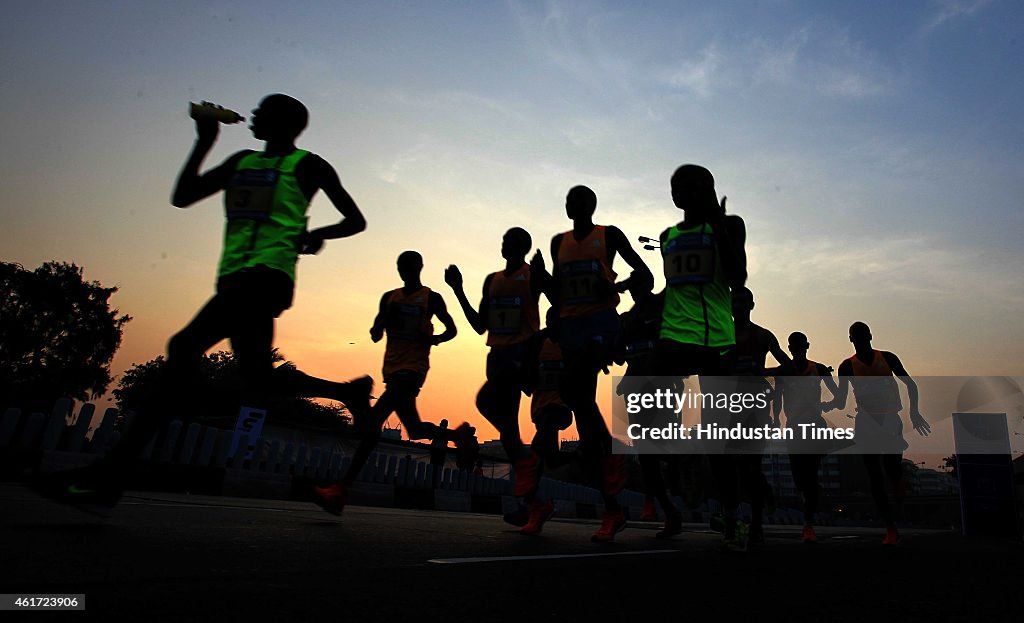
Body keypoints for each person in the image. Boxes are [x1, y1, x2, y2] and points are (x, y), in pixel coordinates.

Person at [35, 94, 373, 510]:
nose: (253, 114)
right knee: (257, 378)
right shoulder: (241, 162)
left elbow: (354, 220)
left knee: (184, 347)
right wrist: (204, 140)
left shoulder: (309, 165)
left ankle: (109, 476)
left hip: (266, 277)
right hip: (234, 278)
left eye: (263, 111)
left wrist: (316, 234)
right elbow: (184, 195)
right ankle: (346, 392)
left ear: (288, 123)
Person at [312, 251, 457, 514]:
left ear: (420, 267)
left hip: (413, 369)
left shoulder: (431, 298)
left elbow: (452, 330)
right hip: (391, 368)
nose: (406, 271)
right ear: (398, 269)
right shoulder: (389, 298)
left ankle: (341, 489)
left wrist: (434, 340)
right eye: (402, 267)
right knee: (414, 429)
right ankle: (458, 436)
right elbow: (375, 334)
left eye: (410, 266)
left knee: (373, 422)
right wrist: (384, 320)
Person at [550, 185, 653, 543]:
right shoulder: (557, 242)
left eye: (576, 200)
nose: (570, 205)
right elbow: (558, 290)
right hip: (570, 328)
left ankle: (606, 452)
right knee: (576, 399)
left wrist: (615, 286)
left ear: (591, 205)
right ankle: (612, 502)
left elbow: (645, 274)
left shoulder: (609, 236)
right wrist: (542, 281)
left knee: (576, 388)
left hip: (599, 325)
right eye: (567, 200)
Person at [653, 164, 747, 548]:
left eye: (696, 186)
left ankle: (731, 513)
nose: (687, 193)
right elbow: (673, 287)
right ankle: (680, 462)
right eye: (680, 187)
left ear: (710, 189)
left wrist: (720, 226)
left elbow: (738, 277)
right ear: (674, 195)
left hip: (715, 340)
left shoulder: (731, 225)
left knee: (719, 437)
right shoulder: (667, 236)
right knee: (649, 404)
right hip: (675, 335)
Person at [445, 227, 554, 533]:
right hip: (496, 354)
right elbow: (479, 325)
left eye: (513, 241)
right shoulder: (492, 280)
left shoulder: (532, 275)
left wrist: (546, 278)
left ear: (524, 246)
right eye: (505, 240)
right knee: (508, 433)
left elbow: (560, 300)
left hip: (520, 354)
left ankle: (527, 474)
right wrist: (458, 289)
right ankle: (535, 502)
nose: (506, 244)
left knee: (487, 404)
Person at [824, 322, 930, 545]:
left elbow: (910, 384)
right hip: (866, 421)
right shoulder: (847, 367)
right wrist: (827, 402)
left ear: (870, 336)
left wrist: (914, 412)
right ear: (851, 340)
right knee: (874, 474)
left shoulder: (888, 358)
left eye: (863, 335)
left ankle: (898, 479)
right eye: (856, 336)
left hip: (891, 418)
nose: (861, 339)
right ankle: (890, 528)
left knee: (891, 467)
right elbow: (842, 401)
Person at [769, 331, 839, 544]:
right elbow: (778, 398)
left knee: (810, 476)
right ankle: (808, 505)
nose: (797, 348)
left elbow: (838, 395)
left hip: (814, 426)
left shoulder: (817, 369)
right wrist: (776, 421)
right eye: (794, 345)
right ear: (789, 348)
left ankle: (808, 524)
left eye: (800, 344)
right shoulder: (785, 372)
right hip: (794, 428)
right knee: (800, 477)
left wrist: (829, 404)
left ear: (807, 346)